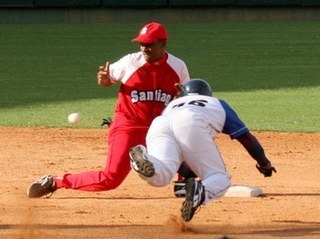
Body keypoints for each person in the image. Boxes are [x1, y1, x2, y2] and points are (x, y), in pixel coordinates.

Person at [27, 22, 190, 198]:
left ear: (162, 44)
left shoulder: (178, 67)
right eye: (142, 44)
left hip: (158, 128)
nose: (144, 48)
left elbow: (185, 99)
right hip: (128, 126)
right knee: (111, 179)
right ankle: (56, 182)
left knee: (188, 131)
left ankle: (184, 179)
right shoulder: (130, 62)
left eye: (149, 44)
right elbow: (107, 78)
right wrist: (104, 80)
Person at [129, 79, 277, 222]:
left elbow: (181, 157)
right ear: (207, 94)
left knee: (160, 177)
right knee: (220, 178)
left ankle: (143, 157)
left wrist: (187, 175)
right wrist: (264, 163)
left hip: (159, 124)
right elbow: (246, 138)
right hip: (191, 121)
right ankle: (201, 192)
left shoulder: (173, 104)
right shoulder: (216, 103)